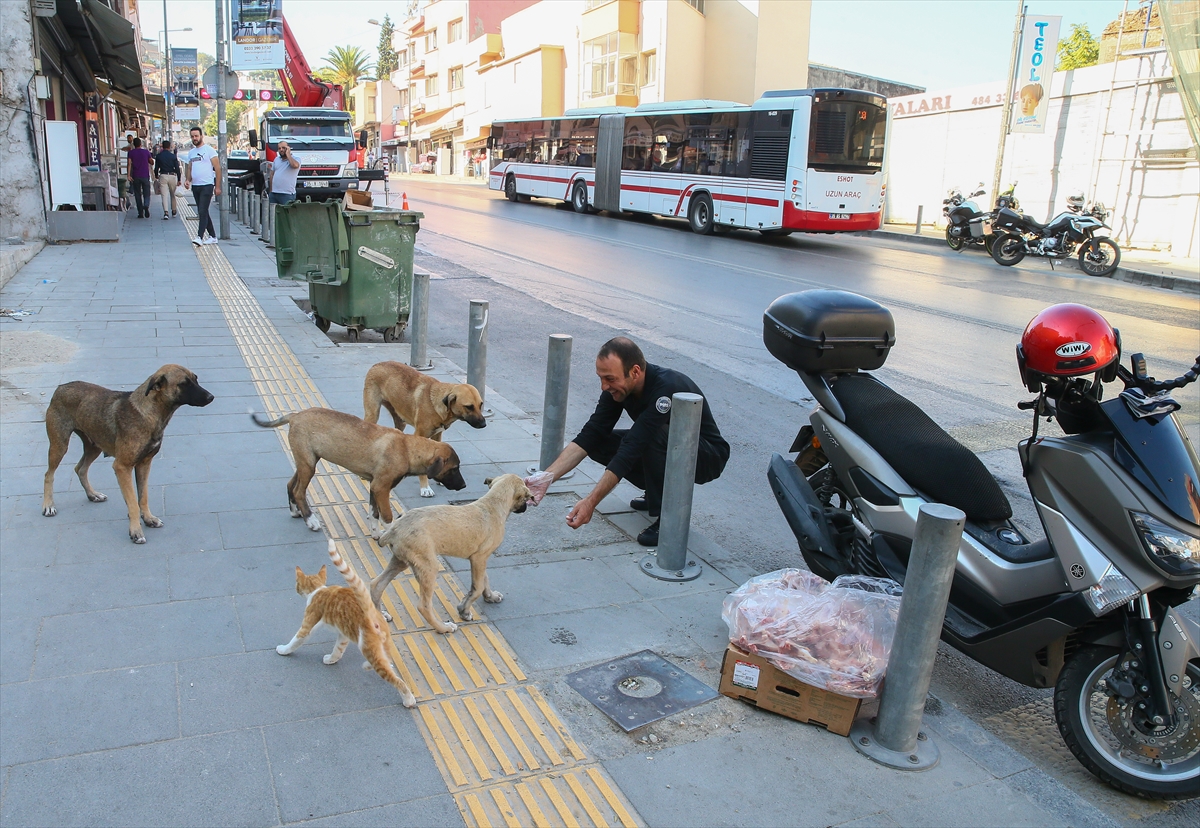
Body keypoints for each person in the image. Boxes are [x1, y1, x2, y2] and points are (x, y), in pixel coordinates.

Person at [535, 337, 729, 546]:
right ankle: (654, 491)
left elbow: (634, 445)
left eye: (609, 379)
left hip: (706, 455)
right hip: (669, 446)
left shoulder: (666, 388)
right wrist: (546, 477)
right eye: (600, 378)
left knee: (652, 436)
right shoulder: (618, 389)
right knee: (600, 441)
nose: (604, 386)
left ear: (635, 372)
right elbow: (591, 433)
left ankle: (670, 518)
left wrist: (591, 502)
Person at [182, 126, 220, 245]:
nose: (194, 138)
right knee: (203, 211)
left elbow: (218, 169)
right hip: (196, 186)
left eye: (196, 136)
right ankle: (213, 236)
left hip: (207, 185)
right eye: (192, 136)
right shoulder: (191, 153)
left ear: (201, 136)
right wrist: (188, 180)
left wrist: (217, 186)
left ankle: (199, 236)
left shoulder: (209, 150)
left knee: (202, 211)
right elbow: (190, 168)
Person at [154, 139, 180, 219]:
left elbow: (156, 168)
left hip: (163, 175)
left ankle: (166, 212)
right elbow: (177, 168)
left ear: (162, 146)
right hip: (172, 176)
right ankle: (174, 210)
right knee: (172, 194)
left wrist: (156, 175)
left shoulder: (159, 156)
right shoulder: (173, 156)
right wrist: (179, 179)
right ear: (169, 147)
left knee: (164, 195)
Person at [126, 137, 153, 218]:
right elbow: (151, 162)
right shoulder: (146, 152)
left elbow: (129, 164)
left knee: (137, 194)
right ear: (141, 144)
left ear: (134, 145)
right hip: (145, 175)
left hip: (135, 176)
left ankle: (140, 213)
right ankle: (146, 205)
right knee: (146, 193)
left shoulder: (131, 153)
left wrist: (128, 175)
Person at [268, 140, 301, 205]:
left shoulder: (296, 159)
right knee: (272, 213)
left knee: (286, 213)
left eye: (283, 148)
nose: (281, 150)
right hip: (274, 194)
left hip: (287, 194)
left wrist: (288, 155)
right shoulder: (276, 159)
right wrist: (271, 190)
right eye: (279, 148)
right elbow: (272, 174)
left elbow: (295, 165)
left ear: (288, 148)